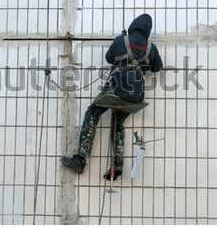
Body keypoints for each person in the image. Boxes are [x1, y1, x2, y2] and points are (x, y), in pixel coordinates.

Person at [61, 14, 163, 180]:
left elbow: (109, 58)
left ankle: (80, 159)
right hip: (136, 95)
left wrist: (122, 45)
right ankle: (117, 166)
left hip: (117, 88)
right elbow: (158, 67)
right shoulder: (151, 47)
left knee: (93, 113)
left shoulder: (121, 40)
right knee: (118, 124)